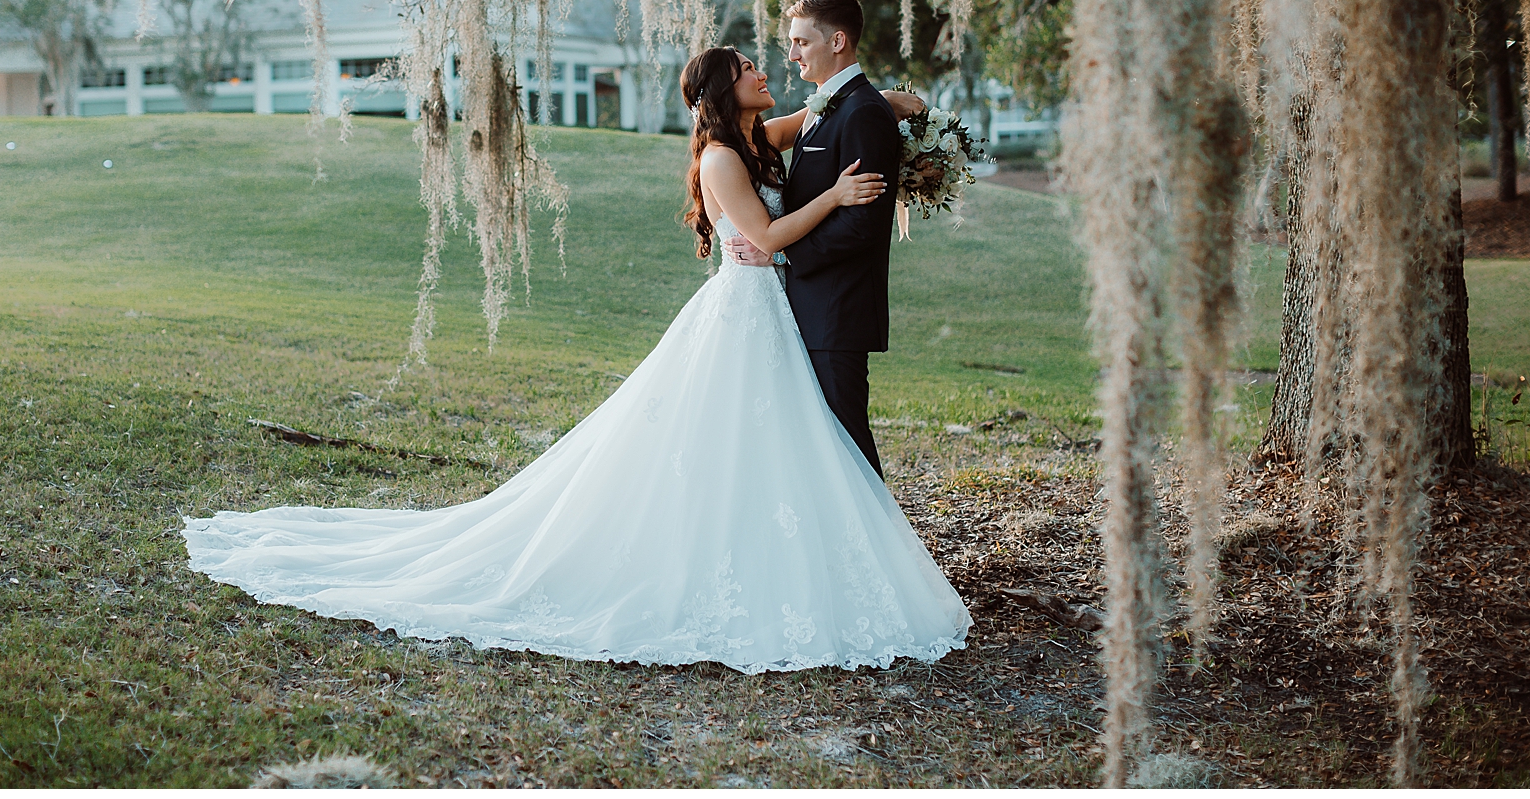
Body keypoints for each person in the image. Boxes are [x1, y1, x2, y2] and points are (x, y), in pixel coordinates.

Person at [182, 46, 970, 673]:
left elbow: (818, 112)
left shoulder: (753, 138)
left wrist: (889, 102)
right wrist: (832, 200)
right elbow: (762, 240)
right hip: (743, 307)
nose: (766, 70)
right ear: (727, 90)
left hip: (769, 316)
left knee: (771, 449)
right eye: (750, 69)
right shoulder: (721, 161)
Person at [725, 0, 897, 478]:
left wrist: (783, 257)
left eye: (801, 42)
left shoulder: (861, 112)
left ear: (837, 41)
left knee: (848, 448)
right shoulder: (830, 106)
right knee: (821, 453)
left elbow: (862, 226)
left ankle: (884, 553)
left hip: (837, 311)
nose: (792, 54)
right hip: (808, 307)